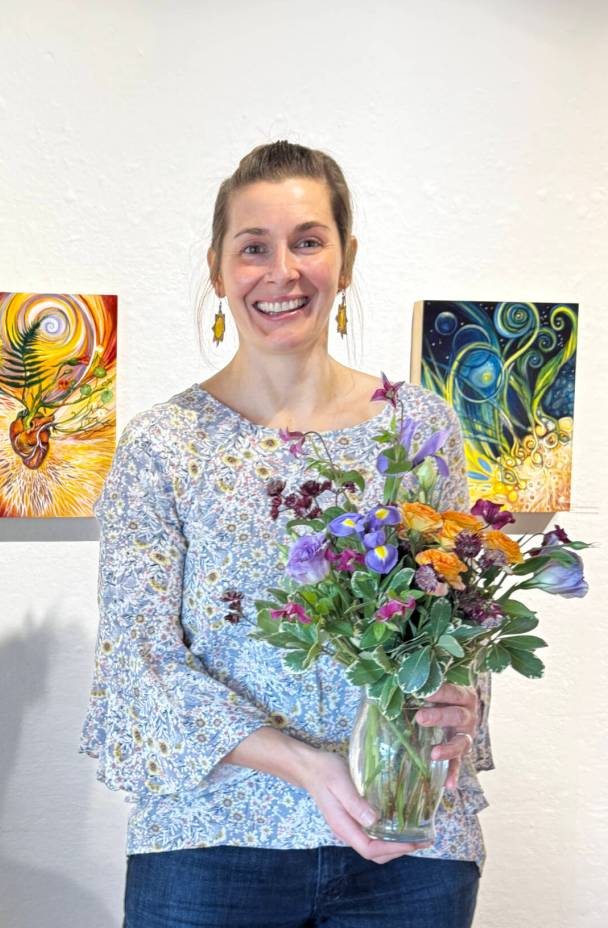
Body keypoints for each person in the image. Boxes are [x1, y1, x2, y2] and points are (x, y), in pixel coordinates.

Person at [80, 141, 493, 928]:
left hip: (405, 838)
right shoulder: (163, 446)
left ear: (346, 257)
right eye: (254, 248)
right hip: (210, 844)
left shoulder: (419, 428)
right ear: (217, 269)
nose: (282, 271)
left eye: (308, 240)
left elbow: (457, 625)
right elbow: (139, 663)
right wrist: (307, 766)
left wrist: (463, 700)